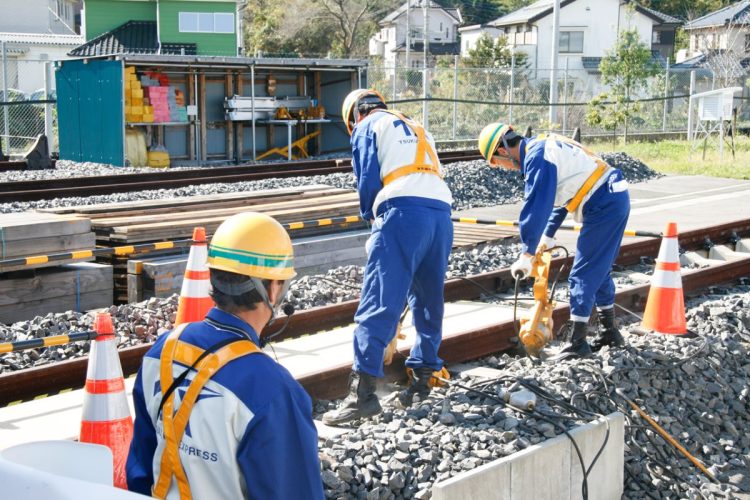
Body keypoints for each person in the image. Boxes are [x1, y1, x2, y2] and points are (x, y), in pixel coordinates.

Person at [126, 212, 323, 499]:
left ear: (214, 278)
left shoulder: (163, 350)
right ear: (272, 288)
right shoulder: (273, 391)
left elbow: (141, 467)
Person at [322, 89, 454, 425]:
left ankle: (362, 394)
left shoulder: (369, 126)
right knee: (427, 298)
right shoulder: (416, 126)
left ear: (354, 116)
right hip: (441, 214)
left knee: (379, 298)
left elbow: (367, 179)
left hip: (401, 212)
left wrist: (373, 221)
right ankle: (423, 380)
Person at [477, 123, 630, 360]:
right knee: (598, 269)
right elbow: (562, 196)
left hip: (603, 203)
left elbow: (537, 205)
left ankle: (577, 342)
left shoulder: (537, 158)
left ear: (503, 150)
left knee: (583, 273)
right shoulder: (543, 145)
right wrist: (546, 238)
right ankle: (609, 331)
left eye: (496, 162)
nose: (503, 168)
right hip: (611, 195)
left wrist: (527, 252)